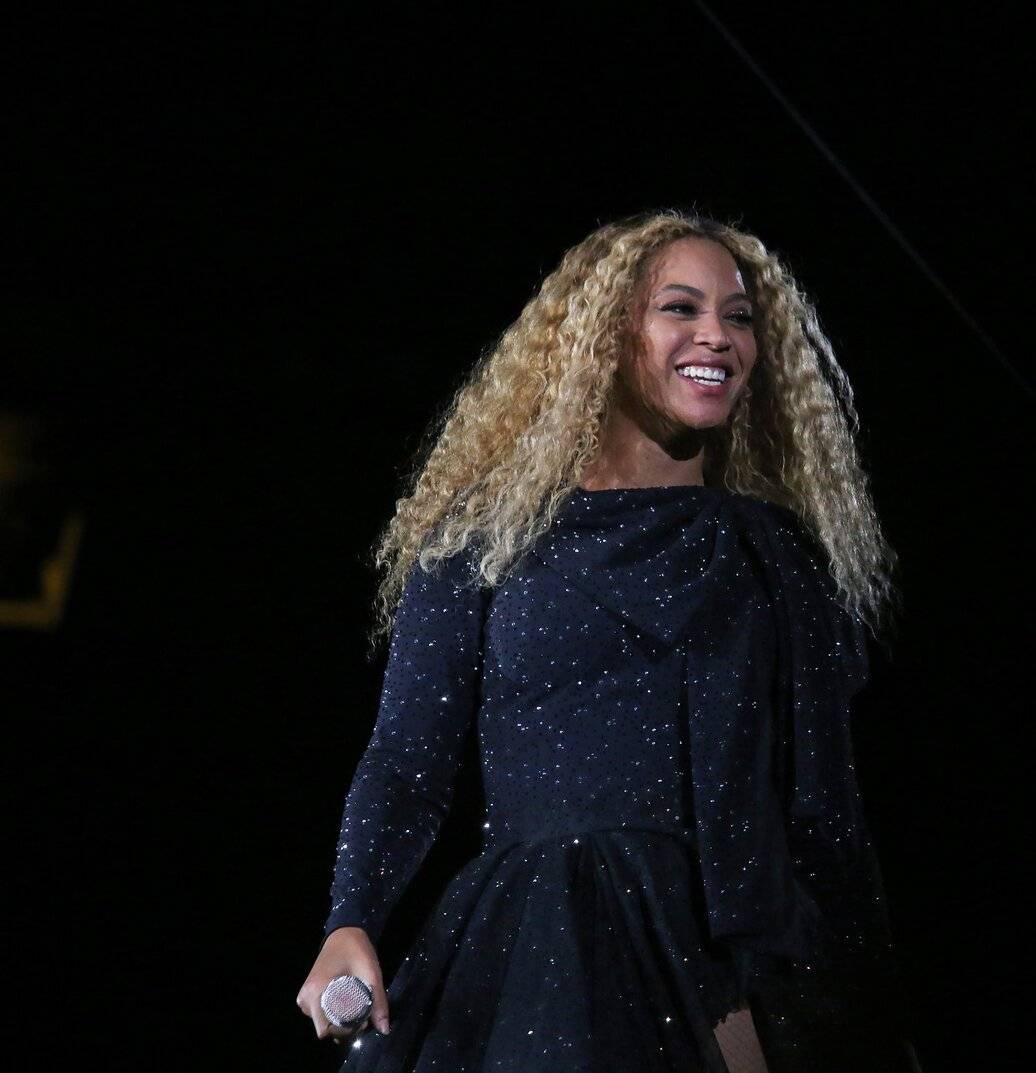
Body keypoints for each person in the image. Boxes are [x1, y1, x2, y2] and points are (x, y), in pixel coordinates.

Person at [295, 209, 922, 1072]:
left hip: (723, 962)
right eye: (680, 308)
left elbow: (825, 815)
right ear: (606, 334)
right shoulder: (488, 538)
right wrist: (352, 915)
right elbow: (408, 758)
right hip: (536, 947)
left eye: (739, 316)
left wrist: (871, 1017)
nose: (718, 336)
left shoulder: (774, 557)